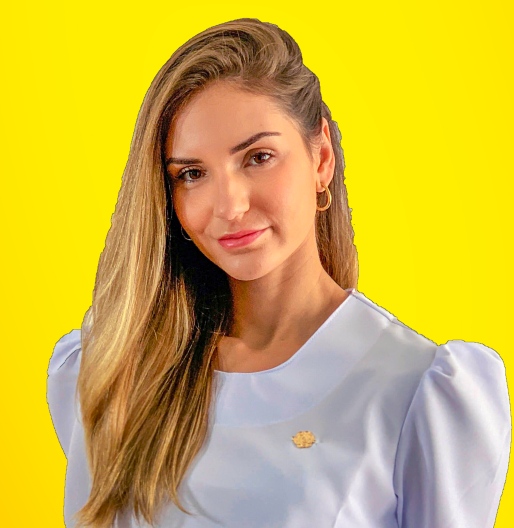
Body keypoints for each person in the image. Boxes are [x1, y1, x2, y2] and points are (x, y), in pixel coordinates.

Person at [47, 17, 511, 528]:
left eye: (258, 157)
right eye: (192, 174)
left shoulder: (415, 391)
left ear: (321, 158)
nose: (230, 206)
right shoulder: (109, 371)